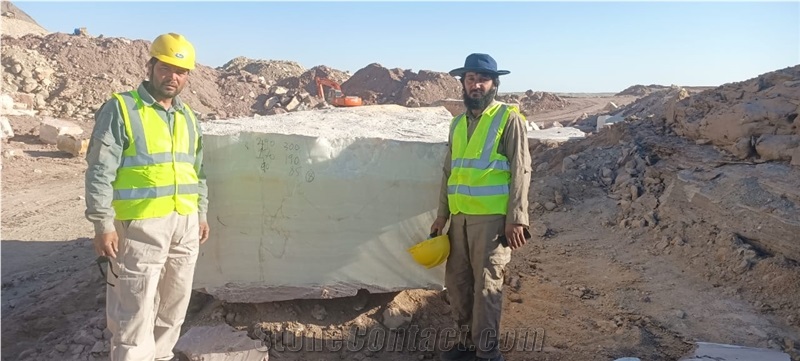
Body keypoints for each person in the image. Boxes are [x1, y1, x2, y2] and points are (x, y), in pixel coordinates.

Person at [84, 32, 210, 361]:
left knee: (174, 304)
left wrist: (202, 213)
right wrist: (102, 223)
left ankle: (162, 355)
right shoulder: (122, 109)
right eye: (166, 68)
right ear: (151, 66)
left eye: (181, 72)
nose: (173, 77)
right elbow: (99, 170)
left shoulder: (189, 118)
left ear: (188, 77)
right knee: (135, 307)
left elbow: (198, 172)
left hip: (184, 225)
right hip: (140, 225)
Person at [430, 53, 532, 361]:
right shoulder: (458, 124)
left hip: (491, 221)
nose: (476, 85)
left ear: (494, 84)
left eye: (482, 80)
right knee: (458, 285)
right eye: (470, 79)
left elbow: (521, 169)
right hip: (459, 220)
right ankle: (465, 345)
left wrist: (516, 218)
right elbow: (450, 171)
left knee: (487, 287)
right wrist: (441, 215)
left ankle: (487, 353)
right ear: (463, 83)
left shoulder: (508, 118)